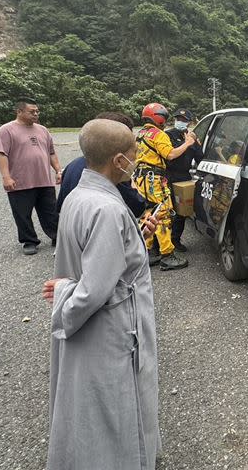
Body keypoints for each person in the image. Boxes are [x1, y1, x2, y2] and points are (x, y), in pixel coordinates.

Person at [42, 119, 161, 470]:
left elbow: (105, 254)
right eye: (134, 153)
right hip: (111, 329)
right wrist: (67, 294)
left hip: (99, 327)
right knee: (113, 406)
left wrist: (136, 234)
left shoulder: (80, 194)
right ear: (118, 160)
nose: (137, 159)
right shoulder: (108, 209)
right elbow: (96, 288)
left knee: (89, 402)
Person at [0, 98, 61, 255]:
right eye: (32, 111)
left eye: (37, 111)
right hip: (20, 181)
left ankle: (57, 236)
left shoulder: (43, 130)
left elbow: (51, 152)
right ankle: (29, 241)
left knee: (51, 211)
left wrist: (58, 170)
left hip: (44, 180)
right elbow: (2, 155)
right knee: (22, 214)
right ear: (19, 111)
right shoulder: (6, 130)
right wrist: (6, 177)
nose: (36, 114)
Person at [134, 103, 196, 270]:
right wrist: (188, 143)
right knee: (164, 214)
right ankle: (167, 254)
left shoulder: (141, 133)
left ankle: (147, 252)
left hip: (142, 179)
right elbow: (170, 154)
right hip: (154, 179)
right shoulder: (158, 135)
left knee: (149, 212)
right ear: (160, 118)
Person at [56, 112, 146, 217]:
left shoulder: (72, 166)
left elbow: (60, 207)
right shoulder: (113, 174)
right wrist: (133, 186)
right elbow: (137, 207)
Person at [164, 109, 203, 252]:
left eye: (184, 120)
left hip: (184, 178)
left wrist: (196, 143)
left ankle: (175, 240)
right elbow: (170, 155)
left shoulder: (192, 137)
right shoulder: (167, 135)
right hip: (169, 177)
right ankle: (161, 243)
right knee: (167, 211)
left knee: (181, 212)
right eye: (178, 118)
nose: (180, 121)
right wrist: (187, 143)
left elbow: (200, 158)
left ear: (189, 123)